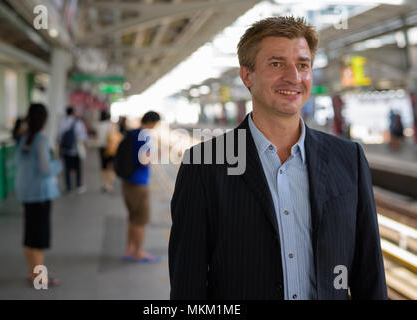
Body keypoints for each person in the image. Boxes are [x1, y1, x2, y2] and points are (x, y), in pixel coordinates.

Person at [169, 16, 387, 300]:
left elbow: (369, 273)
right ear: (247, 76)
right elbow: (188, 285)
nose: (294, 77)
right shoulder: (204, 165)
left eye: (302, 65)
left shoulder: (348, 158)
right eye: (276, 64)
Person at [16, 103, 62, 286]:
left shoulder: (23, 138)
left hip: (26, 193)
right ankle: (39, 276)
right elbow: (45, 170)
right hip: (40, 195)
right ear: (44, 120)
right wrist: (58, 164)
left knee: (30, 235)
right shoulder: (40, 140)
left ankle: (33, 272)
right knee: (39, 238)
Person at [121, 111, 161, 263]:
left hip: (128, 181)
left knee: (132, 217)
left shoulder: (133, 133)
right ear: (151, 122)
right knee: (141, 220)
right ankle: (138, 252)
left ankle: (129, 249)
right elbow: (144, 160)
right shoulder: (144, 136)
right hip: (139, 183)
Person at [57, 106, 88, 194]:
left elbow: (58, 138)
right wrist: (85, 147)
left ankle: (69, 187)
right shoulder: (78, 122)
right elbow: (83, 136)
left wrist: (59, 150)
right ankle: (78, 185)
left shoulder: (62, 122)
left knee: (67, 168)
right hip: (76, 150)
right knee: (78, 168)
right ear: (73, 113)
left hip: (65, 149)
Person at [96, 110, 122, 193]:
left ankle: (104, 184)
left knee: (103, 167)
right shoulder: (112, 125)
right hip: (111, 148)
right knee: (111, 167)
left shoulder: (98, 125)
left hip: (102, 148)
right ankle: (110, 185)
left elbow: (97, 138)